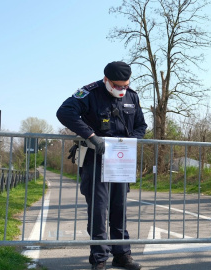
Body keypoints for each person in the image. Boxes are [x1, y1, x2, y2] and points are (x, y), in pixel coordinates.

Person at [56, 61, 147, 270]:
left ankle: (122, 254)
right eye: (117, 85)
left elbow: (141, 125)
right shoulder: (89, 93)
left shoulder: (132, 96)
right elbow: (64, 112)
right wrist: (91, 136)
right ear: (106, 80)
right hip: (96, 160)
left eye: (125, 85)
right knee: (99, 211)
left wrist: (132, 141)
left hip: (121, 161)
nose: (122, 90)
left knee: (119, 209)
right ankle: (99, 259)